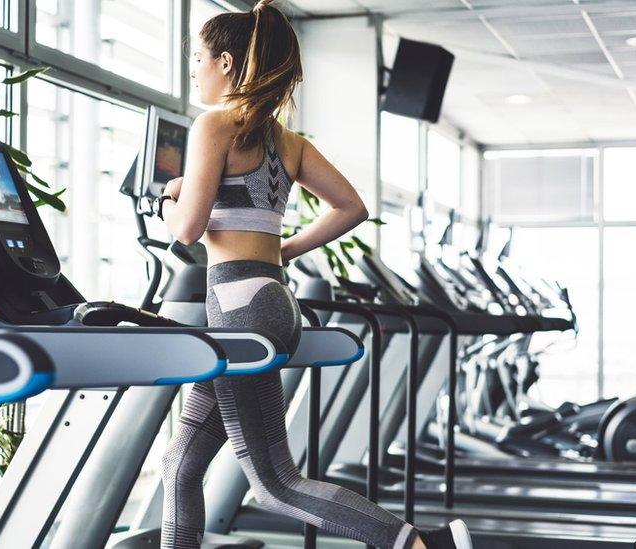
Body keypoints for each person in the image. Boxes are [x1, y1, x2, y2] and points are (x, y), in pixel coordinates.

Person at [155, 2, 473, 548]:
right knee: (181, 465)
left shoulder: (214, 126)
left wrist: (166, 196)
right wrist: (286, 251)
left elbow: (187, 230)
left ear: (226, 63)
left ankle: (423, 544)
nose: (194, 71)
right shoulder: (289, 142)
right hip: (272, 298)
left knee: (275, 484)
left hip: (236, 308)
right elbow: (351, 207)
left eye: (198, 59)